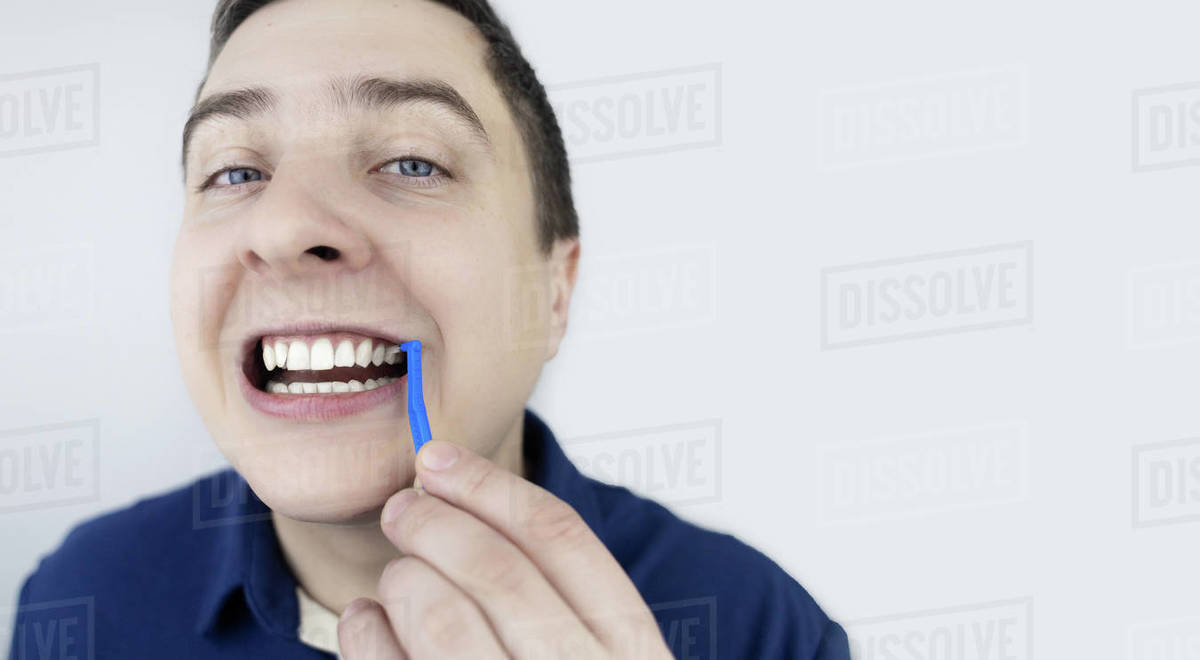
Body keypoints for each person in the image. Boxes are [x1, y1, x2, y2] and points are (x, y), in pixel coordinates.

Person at [8, 0, 849, 657]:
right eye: (234, 170)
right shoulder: (82, 601)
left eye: (413, 161)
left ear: (555, 294)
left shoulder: (757, 626)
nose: (284, 224)